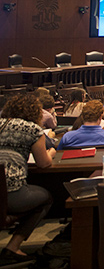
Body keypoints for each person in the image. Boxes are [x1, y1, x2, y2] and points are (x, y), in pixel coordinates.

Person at [0, 94, 55, 264]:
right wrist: (51, 152)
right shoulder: (32, 129)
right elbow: (44, 164)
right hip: (11, 195)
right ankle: (13, 247)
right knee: (47, 198)